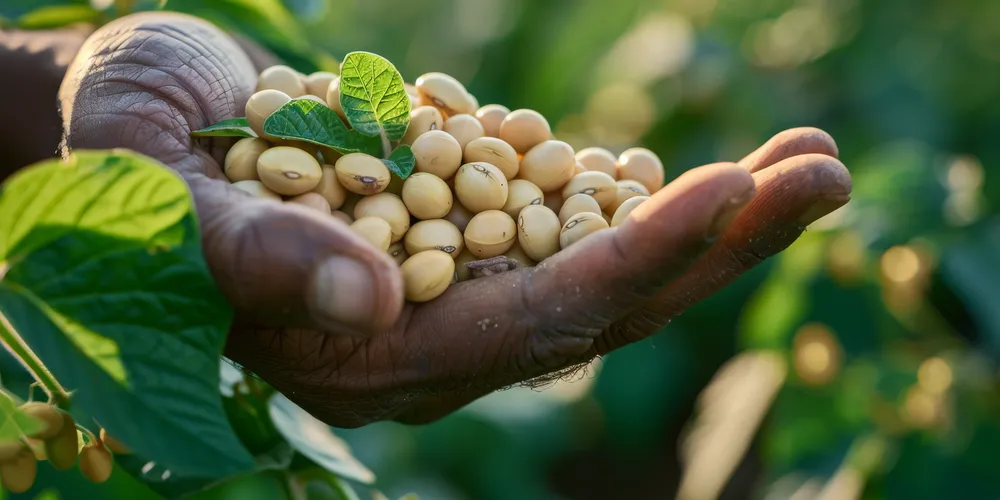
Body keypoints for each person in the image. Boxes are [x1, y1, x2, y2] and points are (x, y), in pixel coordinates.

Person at [0, 12, 852, 428]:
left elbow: (459, 179)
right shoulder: (329, 149)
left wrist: (70, 73)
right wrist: (107, 77)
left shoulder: (449, 172)